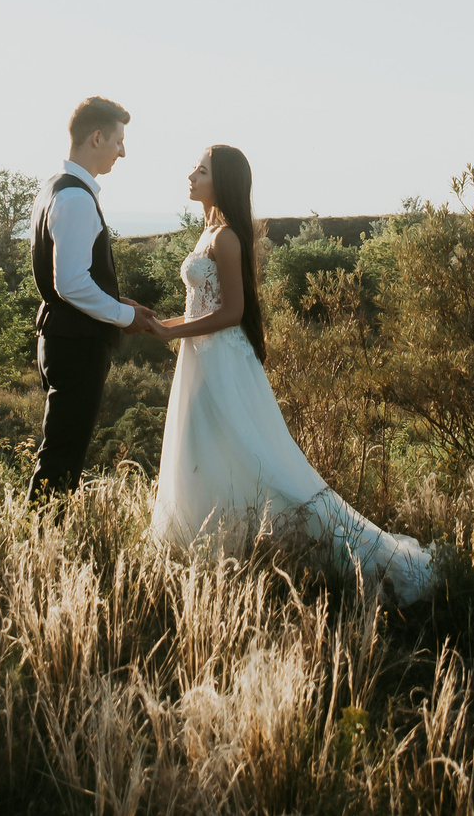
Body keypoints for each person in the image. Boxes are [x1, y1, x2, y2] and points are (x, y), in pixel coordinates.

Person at [147, 144, 434, 600]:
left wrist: (168, 333)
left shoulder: (225, 238)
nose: (191, 175)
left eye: (200, 170)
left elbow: (233, 313)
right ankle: (217, 545)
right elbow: (204, 306)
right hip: (203, 356)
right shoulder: (209, 232)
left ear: (221, 181)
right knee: (206, 447)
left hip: (223, 360)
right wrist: (162, 324)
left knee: (260, 456)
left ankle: (342, 550)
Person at [27, 96, 162, 498]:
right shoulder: (74, 197)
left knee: (60, 452)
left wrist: (124, 304)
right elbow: (70, 283)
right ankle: (41, 548)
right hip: (76, 344)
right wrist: (123, 314)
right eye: (119, 141)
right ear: (97, 138)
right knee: (62, 458)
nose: (123, 151)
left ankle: (41, 544)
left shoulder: (55, 188)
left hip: (61, 338)